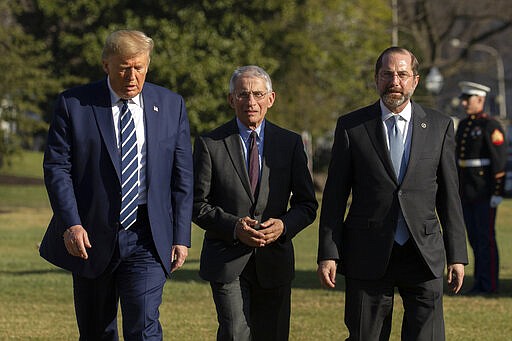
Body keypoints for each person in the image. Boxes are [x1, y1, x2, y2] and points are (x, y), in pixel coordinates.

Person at [39, 30, 194, 340]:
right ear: (105, 64)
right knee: (97, 331)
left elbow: (182, 176)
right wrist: (72, 224)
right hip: (90, 238)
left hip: (147, 237)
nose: (132, 76)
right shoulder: (74, 104)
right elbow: (58, 168)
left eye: (139, 67)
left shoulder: (171, 105)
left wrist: (181, 235)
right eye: (124, 67)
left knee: (144, 327)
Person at [317, 47, 468, 341]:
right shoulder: (352, 127)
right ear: (376, 79)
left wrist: (457, 255)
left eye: (402, 74)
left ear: (415, 80)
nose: (394, 81)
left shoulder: (439, 126)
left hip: (423, 253)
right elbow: (335, 196)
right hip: (367, 250)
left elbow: (450, 196)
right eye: (387, 74)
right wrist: (328, 253)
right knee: (365, 335)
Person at [192, 65, 318, 341]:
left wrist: (283, 226)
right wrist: (234, 227)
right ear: (231, 99)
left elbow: (307, 205)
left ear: (271, 99)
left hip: (275, 261)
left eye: (258, 94)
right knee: (236, 333)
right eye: (243, 95)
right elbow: (197, 204)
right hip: (227, 259)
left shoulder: (291, 143)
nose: (251, 102)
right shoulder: (210, 144)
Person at [455, 81, 507, 295]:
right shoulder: (465, 125)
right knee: (475, 239)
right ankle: (479, 282)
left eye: (469, 99)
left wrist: (497, 192)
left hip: (485, 191)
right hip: (467, 191)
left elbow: (499, 161)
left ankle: (489, 284)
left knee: (486, 239)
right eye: (464, 99)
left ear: (481, 100)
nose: (464, 102)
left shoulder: (490, 125)